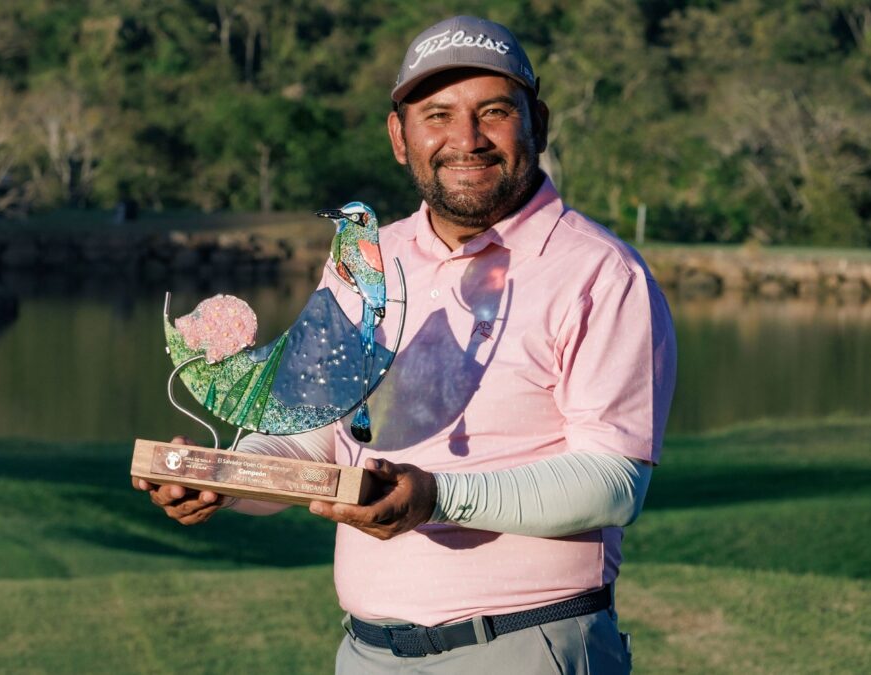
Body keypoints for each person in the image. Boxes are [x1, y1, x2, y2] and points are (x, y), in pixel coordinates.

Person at [134, 15, 676, 674]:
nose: (466, 139)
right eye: (437, 115)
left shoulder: (600, 272)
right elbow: (315, 435)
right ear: (400, 136)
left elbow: (613, 482)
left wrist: (435, 495)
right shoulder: (367, 258)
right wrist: (225, 476)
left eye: (494, 111)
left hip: (528, 647)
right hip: (368, 652)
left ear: (537, 121)